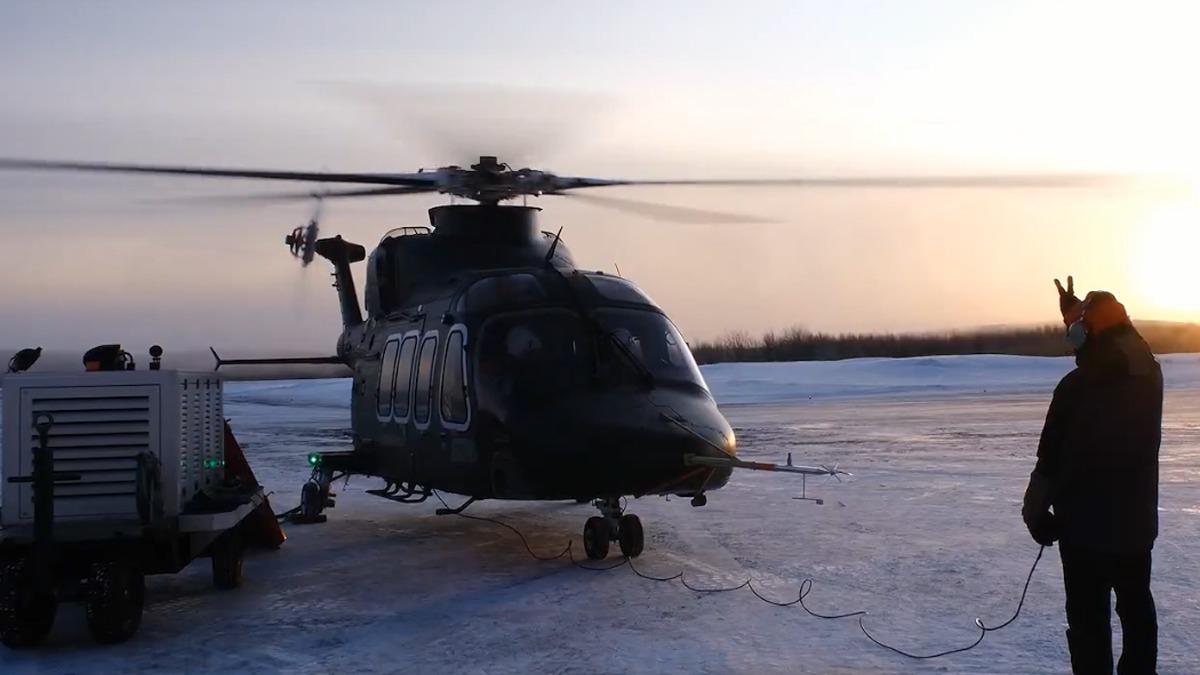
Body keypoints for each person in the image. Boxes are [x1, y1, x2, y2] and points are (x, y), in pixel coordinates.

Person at [1022, 276, 1161, 675]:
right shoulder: (1149, 376)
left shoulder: (1074, 388)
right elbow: (1119, 336)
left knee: (1088, 626)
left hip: (1082, 532)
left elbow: (1048, 461)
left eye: (1077, 331)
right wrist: (1075, 309)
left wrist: (1035, 514)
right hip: (1135, 529)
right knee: (1137, 615)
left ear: (1087, 333)